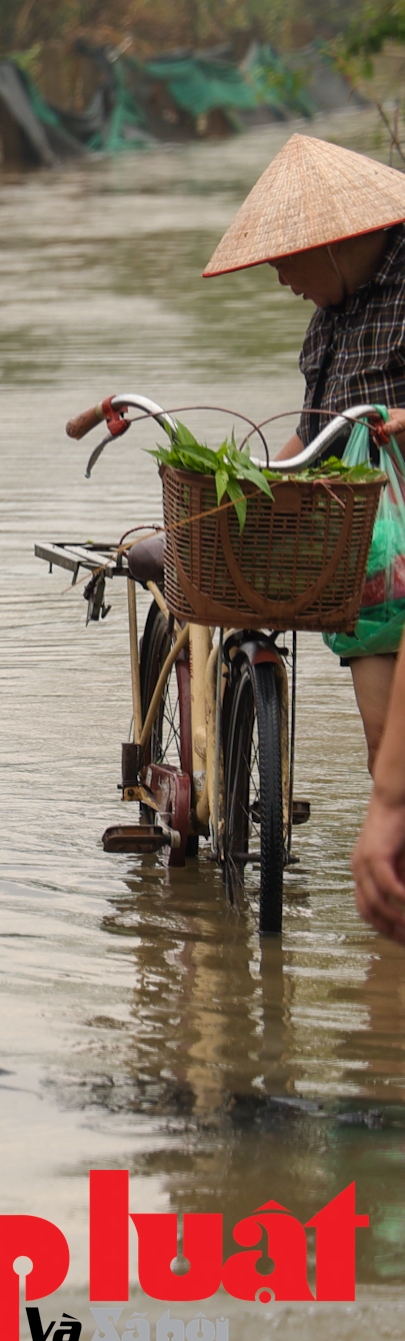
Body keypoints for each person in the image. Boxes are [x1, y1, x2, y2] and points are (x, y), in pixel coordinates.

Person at [200, 133, 405, 940]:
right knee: (384, 744)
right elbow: (311, 437)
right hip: (369, 563)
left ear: (335, 242)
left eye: (288, 259)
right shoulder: (327, 324)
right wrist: (250, 484)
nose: (282, 278)